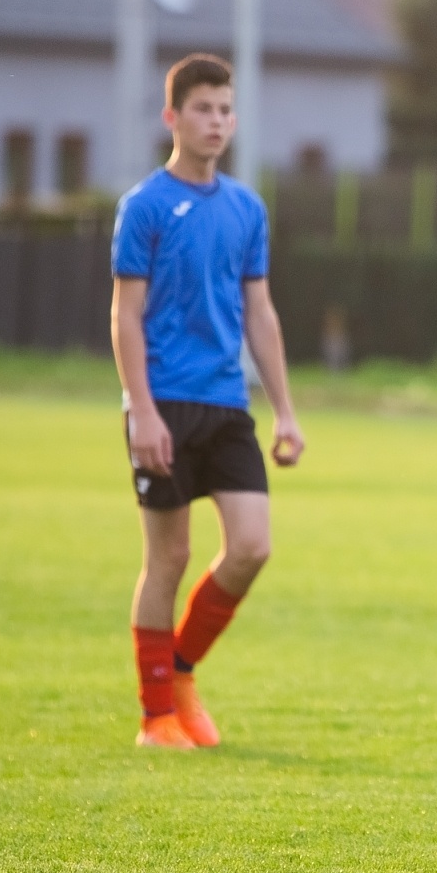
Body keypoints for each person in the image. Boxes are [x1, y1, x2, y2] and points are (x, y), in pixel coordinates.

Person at [110, 54, 304, 749]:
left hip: (227, 405)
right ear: (173, 117)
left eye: (226, 109)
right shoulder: (146, 206)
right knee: (168, 558)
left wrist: (284, 409)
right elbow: (125, 316)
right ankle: (156, 715)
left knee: (251, 546)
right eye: (203, 109)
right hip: (163, 402)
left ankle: (182, 668)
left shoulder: (247, 207)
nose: (217, 121)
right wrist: (142, 411)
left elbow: (261, 314)